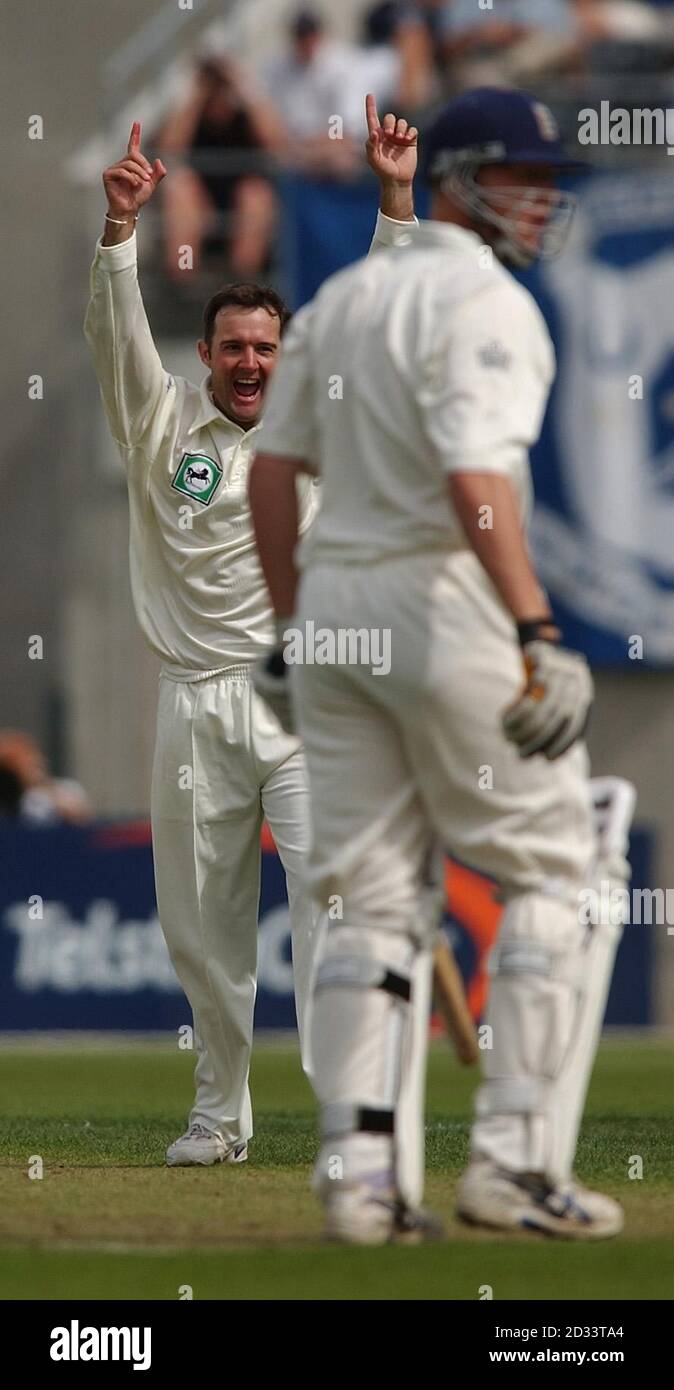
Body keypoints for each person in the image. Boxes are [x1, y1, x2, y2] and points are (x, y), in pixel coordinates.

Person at [248, 89, 630, 1242]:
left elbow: (274, 475)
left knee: (367, 901)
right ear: (460, 178)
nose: (545, 194)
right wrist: (534, 626)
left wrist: (294, 625)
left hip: (337, 613)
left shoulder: (345, 295)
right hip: (439, 602)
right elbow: (474, 486)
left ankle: (360, 1182)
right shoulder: (492, 305)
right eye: (522, 174)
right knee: (559, 869)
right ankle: (510, 1166)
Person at [83, 119, 407, 1171]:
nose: (253, 362)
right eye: (234, 347)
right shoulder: (160, 425)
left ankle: (345, 1123)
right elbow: (114, 338)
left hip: (299, 699)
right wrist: (121, 226)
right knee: (201, 931)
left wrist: (395, 204)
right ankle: (217, 1118)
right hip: (191, 701)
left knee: (329, 899)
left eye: (267, 347)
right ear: (208, 354)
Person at [157, 54, 282, 280]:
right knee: (180, 188)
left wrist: (243, 86)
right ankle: (185, 280)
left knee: (255, 193)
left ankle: (243, 280)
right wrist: (196, 95)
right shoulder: (192, 121)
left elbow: (275, 143)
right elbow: (169, 149)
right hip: (203, 210)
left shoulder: (245, 119)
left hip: (240, 209)